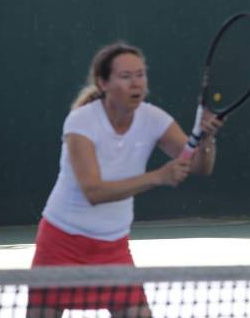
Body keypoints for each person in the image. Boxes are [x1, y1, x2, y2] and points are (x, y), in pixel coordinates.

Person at [28, 42, 223, 318]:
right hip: (61, 242)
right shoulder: (81, 122)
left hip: (113, 247)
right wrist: (158, 177)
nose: (137, 83)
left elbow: (200, 168)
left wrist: (207, 140)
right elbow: (92, 191)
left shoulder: (154, 119)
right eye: (126, 76)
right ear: (103, 82)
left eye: (141, 74)